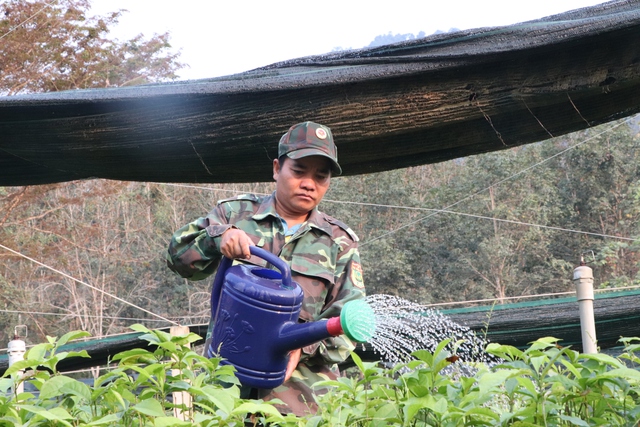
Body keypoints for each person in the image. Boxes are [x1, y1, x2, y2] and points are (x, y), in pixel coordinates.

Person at [166, 121, 366, 416]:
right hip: (224, 390)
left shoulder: (339, 242)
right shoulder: (235, 214)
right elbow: (178, 258)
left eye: (320, 177)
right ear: (276, 169)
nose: (309, 183)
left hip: (298, 402)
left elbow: (350, 322)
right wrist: (217, 237)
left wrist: (303, 346)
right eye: (298, 172)